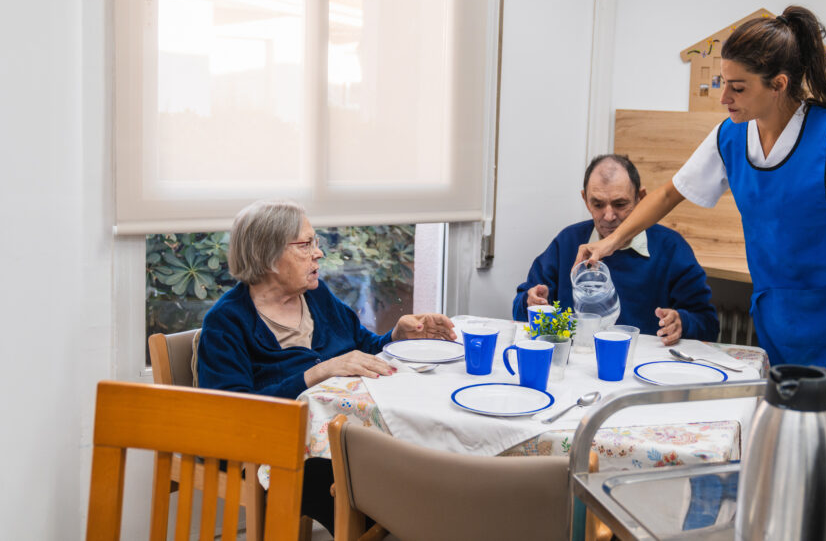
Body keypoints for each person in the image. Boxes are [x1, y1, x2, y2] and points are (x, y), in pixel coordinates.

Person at [576, 6, 826, 403]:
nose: (724, 98)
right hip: (780, 321)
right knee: (791, 437)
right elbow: (669, 194)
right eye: (723, 82)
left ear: (778, 84)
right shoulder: (730, 137)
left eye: (737, 87)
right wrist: (608, 244)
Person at [197, 199, 455, 533]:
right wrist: (317, 372)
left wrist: (397, 336)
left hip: (343, 434)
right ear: (268, 255)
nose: (318, 253)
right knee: (371, 491)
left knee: (415, 465)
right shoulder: (226, 322)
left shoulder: (317, 296)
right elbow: (231, 413)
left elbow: (362, 347)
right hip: (275, 451)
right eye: (305, 245)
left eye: (316, 243)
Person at [513, 154, 719, 345]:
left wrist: (682, 322)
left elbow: (708, 324)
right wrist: (530, 303)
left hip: (643, 362)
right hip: (578, 358)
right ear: (585, 199)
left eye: (620, 204)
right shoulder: (568, 242)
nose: (609, 216)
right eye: (598, 204)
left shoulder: (671, 248)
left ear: (641, 198)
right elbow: (519, 310)